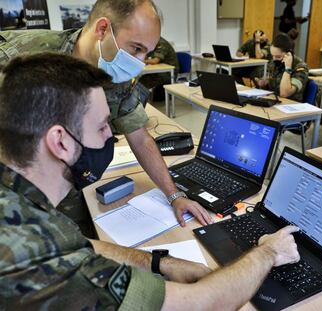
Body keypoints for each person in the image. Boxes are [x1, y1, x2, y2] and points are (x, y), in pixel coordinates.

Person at [0, 52, 300, 310]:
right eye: (103, 125)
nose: (112, 136)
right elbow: (203, 304)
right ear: (61, 142)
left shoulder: (18, 199)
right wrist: (269, 252)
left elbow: (78, 245)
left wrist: (160, 262)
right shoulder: (38, 263)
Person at [0, 0, 212, 234]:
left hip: (73, 192)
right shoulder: (20, 54)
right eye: (136, 48)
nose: (140, 63)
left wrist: (175, 195)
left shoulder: (117, 73)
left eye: (147, 53)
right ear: (102, 29)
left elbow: (140, 137)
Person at [255, 33, 309, 102]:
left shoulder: (300, 67)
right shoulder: (273, 63)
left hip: (290, 105)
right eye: (273, 56)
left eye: (278, 56)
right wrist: (261, 82)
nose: (274, 59)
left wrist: (288, 68)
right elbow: (263, 81)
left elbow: (285, 93)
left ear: (289, 53)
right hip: (273, 101)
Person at [140, 36, 179, 101]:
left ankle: (141, 102)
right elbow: (146, 55)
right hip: (159, 71)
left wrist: (141, 61)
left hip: (168, 73)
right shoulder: (152, 42)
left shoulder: (161, 43)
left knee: (142, 82)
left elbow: (155, 60)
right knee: (139, 79)